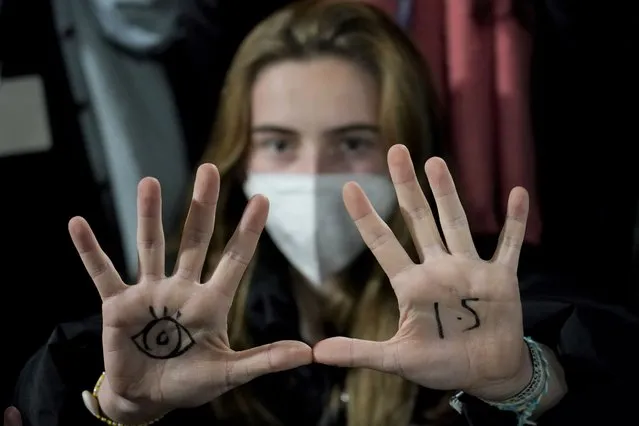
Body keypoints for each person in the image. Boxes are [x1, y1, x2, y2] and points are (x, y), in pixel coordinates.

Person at [5, 1, 639, 426]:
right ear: (238, 156)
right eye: (280, 143)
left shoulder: (495, 295)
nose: (312, 173)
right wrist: (114, 408)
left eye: (354, 141)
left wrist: (524, 382)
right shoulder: (166, 320)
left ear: (411, 150)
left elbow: (608, 362)